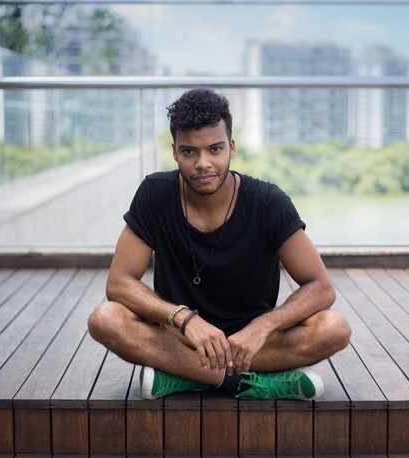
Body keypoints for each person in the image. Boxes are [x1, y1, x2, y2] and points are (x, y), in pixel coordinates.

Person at [88, 87, 351, 401]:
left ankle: (185, 375)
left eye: (215, 149)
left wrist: (263, 326)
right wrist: (183, 318)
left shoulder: (268, 202)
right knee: (105, 319)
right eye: (189, 151)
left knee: (334, 328)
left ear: (231, 147)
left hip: (250, 344)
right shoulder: (155, 193)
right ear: (174, 151)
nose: (203, 163)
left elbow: (321, 288)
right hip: (182, 337)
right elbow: (119, 284)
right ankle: (244, 383)